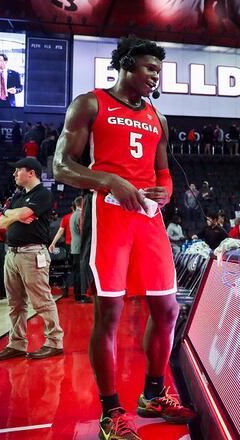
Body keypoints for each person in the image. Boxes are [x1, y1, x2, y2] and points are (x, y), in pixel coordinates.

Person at [52, 35, 194, 438]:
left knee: (167, 310)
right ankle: (111, 410)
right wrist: (108, 179)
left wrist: (165, 190)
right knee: (109, 314)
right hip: (108, 216)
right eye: (150, 68)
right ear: (127, 64)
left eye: (158, 70)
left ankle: (152, 394)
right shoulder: (90, 103)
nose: (155, 76)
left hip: (148, 219)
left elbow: (162, 170)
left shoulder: (157, 117)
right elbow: (61, 165)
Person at [0, 157, 65, 361]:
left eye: (17, 170)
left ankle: (54, 342)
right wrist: (15, 214)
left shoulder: (43, 194)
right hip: (11, 254)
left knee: (41, 301)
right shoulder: (17, 196)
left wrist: (13, 214)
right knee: (15, 304)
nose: (14, 174)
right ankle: (17, 344)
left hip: (33, 254)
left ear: (30, 173)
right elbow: (2, 223)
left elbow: (22, 214)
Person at [68, 196, 92, 303]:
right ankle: (81, 295)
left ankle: (78, 294)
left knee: (77, 272)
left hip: (75, 246)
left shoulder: (73, 215)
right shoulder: (80, 215)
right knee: (80, 272)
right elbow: (83, 231)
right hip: (80, 247)